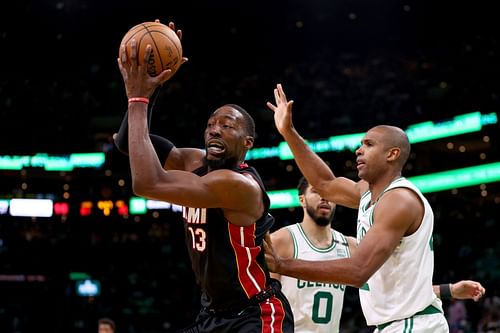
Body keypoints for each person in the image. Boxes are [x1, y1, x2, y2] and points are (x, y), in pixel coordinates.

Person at [115, 22, 294, 333]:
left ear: (247, 143)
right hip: (211, 312)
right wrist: (154, 86)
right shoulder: (193, 160)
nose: (215, 129)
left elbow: (147, 183)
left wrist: (138, 98)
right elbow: (125, 140)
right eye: (211, 123)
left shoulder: (238, 185)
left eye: (227, 125)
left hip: (255, 314)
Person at [264, 83, 485, 332]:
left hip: (412, 324)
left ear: (392, 154)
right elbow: (325, 183)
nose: (358, 150)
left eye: (369, 145)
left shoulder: (399, 200)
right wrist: (288, 131)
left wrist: (283, 265)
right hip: (396, 323)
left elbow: (358, 271)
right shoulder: (367, 193)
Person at [271, 176, 486, 332]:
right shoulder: (282, 240)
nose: (324, 198)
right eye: (316, 192)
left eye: (328, 194)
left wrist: (449, 290)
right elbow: (265, 300)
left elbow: (392, 288)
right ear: (301, 199)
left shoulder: (351, 245)